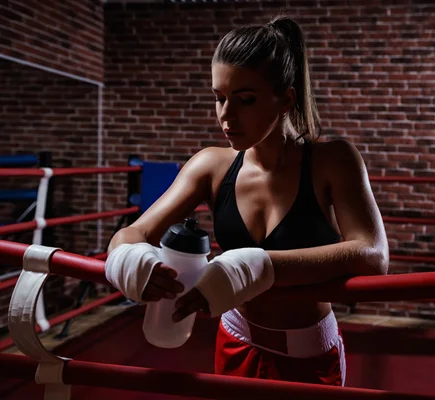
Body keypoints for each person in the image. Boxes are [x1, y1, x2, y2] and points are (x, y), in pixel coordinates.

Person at [105, 15, 388, 387]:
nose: (226, 115)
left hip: (309, 354)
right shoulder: (211, 165)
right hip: (236, 339)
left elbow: (373, 254)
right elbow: (131, 234)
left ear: (285, 98)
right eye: (219, 98)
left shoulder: (331, 160)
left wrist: (255, 267)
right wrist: (135, 263)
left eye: (245, 100)